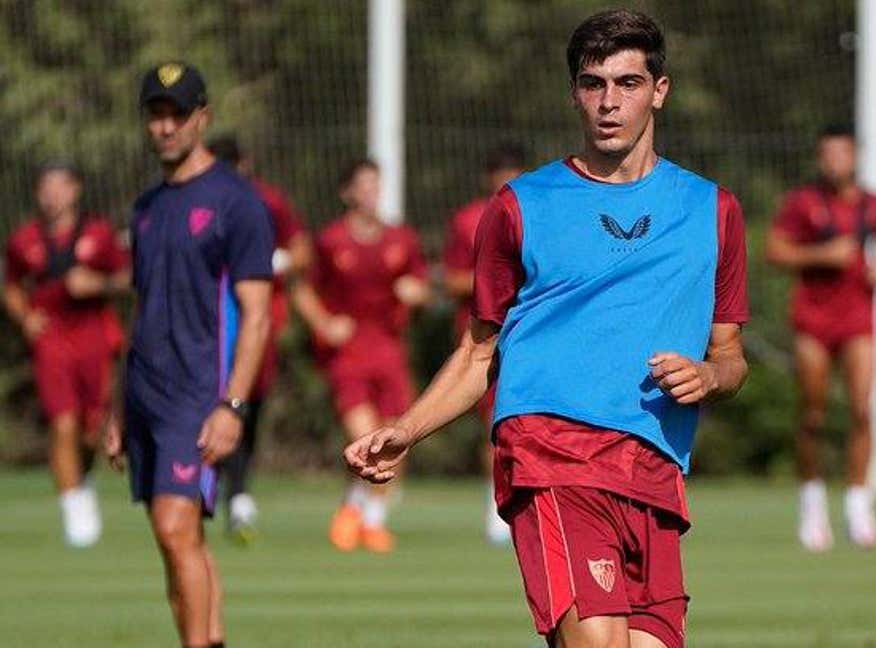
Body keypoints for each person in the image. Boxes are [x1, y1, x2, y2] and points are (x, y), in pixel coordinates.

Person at [346, 10, 749, 648]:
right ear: (575, 94)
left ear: (660, 90)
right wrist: (407, 428)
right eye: (593, 85)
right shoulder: (519, 206)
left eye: (628, 83)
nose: (609, 103)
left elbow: (730, 357)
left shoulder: (713, 211)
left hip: (656, 465)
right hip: (553, 449)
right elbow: (478, 353)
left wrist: (707, 375)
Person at [104, 62, 273, 648]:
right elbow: (139, 311)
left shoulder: (237, 203)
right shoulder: (146, 208)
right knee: (177, 544)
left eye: (179, 113)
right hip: (146, 395)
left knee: (175, 530)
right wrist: (118, 408)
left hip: (198, 396)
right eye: (157, 113)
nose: (167, 126)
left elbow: (256, 315)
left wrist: (233, 405)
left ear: (203, 117)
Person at [764, 124, 876, 551]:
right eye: (828, 155)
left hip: (859, 319)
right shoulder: (803, 203)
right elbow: (775, 249)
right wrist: (823, 254)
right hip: (813, 320)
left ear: (855, 156)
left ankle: (858, 505)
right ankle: (812, 503)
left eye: (843, 154)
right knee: (814, 414)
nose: (836, 162)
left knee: (862, 409)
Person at [293, 159, 429, 553]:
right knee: (365, 438)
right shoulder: (332, 241)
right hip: (349, 355)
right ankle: (358, 509)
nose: (372, 193)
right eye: (364, 186)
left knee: (395, 440)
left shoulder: (400, 239)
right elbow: (302, 289)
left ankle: (366, 517)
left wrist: (415, 293)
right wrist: (324, 324)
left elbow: (422, 284)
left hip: (388, 350)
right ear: (347, 193)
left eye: (376, 185)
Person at [3, 162, 129, 547]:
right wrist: (25, 317)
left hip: (94, 335)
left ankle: (81, 478)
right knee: (62, 422)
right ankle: (74, 506)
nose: (53, 195)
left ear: (75, 190)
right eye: (46, 187)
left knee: (93, 427)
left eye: (60, 187)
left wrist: (97, 283)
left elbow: (129, 278)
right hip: (52, 339)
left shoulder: (99, 234)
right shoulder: (24, 240)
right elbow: (10, 286)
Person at [208, 134, 313, 544]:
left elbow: (301, 250)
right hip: (209, 324)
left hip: (258, 322)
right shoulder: (196, 203)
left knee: (250, 403)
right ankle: (230, 493)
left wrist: (275, 261)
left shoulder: (266, 201)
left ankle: (238, 487)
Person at [442, 142, 527, 545]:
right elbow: (452, 278)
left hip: (531, 334)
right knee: (496, 424)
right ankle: (497, 505)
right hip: (486, 336)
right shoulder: (468, 220)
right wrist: (497, 281)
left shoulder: (537, 213)